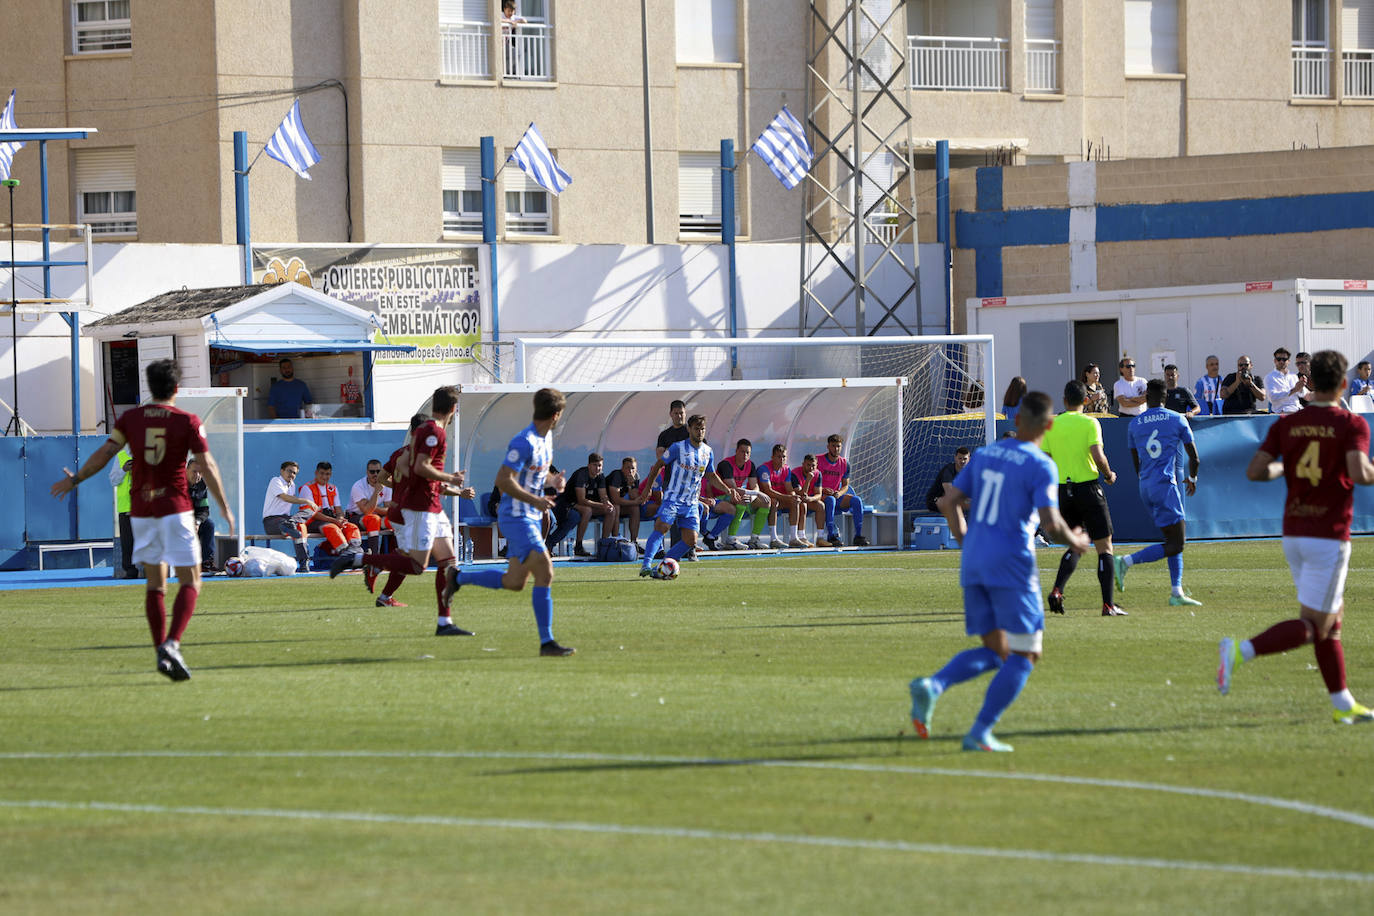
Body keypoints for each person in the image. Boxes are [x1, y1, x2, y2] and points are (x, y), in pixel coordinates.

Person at [908, 391, 1091, 753]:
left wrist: (964, 538)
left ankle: (933, 686)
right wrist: (1077, 540)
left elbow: (948, 501)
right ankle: (979, 731)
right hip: (1011, 564)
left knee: (998, 652)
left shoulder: (986, 454)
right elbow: (1052, 524)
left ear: (1017, 419)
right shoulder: (1040, 464)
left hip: (975, 557)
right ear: (1049, 425)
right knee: (1026, 653)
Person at [50, 358, 235, 682]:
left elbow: (104, 454)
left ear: (150, 388)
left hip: (142, 511)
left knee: (155, 585)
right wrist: (224, 506)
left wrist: (75, 480)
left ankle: (160, 650)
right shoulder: (187, 421)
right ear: (177, 388)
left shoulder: (130, 419)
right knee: (191, 581)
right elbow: (207, 465)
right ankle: (173, 643)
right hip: (175, 509)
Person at [1219, 350, 1374, 724]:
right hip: (1329, 534)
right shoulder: (1352, 424)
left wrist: (1286, 465)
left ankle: (1342, 704)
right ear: (1342, 384)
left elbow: (1256, 471)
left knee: (1330, 621)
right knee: (1316, 625)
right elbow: (1360, 473)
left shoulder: (1289, 424)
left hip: (1295, 533)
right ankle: (1240, 651)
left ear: (1309, 382)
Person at [444, 387, 575, 657]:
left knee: (515, 581)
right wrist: (536, 500)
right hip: (516, 516)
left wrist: (553, 482)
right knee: (546, 571)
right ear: (556, 414)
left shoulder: (546, 438)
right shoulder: (523, 441)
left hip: (528, 514)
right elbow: (503, 481)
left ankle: (458, 578)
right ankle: (547, 642)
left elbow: (538, 475)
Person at [348, 387, 475, 637]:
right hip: (417, 509)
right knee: (416, 565)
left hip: (420, 507)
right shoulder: (432, 433)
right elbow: (422, 468)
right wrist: (451, 479)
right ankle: (364, 561)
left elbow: (398, 475)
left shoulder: (404, 449)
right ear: (454, 409)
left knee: (448, 564)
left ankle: (444, 622)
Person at [1114, 379, 1203, 606]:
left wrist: (1147, 481)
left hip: (1146, 486)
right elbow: (1195, 457)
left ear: (1147, 397)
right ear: (1166, 397)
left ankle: (1176, 592)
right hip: (1166, 485)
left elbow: (1136, 464)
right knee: (1178, 543)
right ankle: (1125, 562)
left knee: (1171, 538)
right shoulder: (1177, 419)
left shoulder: (1134, 424)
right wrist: (1192, 478)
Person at [1041, 380, 1125, 616]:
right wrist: (1109, 475)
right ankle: (1108, 604)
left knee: (1077, 543)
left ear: (1064, 400)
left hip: (1063, 491)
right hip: (1087, 488)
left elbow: (1045, 460)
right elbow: (1098, 455)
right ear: (1085, 401)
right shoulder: (1090, 422)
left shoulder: (1051, 424)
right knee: (1104, 546)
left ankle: (1057, 590)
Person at [638, 414, 741, 577]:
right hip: (673, 498)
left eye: (702, 429)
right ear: (689, 429)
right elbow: (658, 466)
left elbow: (711, 475)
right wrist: (646, 490)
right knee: (662, 527)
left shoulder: (708, 452)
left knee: (691, 540)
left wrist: (729, 490)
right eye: (696, 428)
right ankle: (646, 564)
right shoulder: (677, 448)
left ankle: (662, 567)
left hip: (691, 503)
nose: (700, 432)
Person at [366, 414, 430, 606]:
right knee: (414, 560)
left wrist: (400, 486)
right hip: (409, 514)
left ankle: (385, 597)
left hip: (398, 512)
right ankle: (376, 564)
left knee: (406, 556)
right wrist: (458, 491)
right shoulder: (420, 457)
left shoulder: (398, 453)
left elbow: (383, 479)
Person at [546, 452, 619, 556]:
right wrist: (601, 505)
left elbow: (603, 496)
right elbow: (581, 500)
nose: (597, 468)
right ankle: (578, 545)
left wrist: (607, 503)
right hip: (568, 502)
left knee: (612, 510)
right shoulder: (581, 474)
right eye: (595, 465)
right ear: (589, 465)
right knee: (586, 511)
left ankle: (604, 545)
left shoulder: (600, 476)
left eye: (600, 465)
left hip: (587, 504)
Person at [655, 398, 695, 560]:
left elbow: (700, 453)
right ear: (671, 414)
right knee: (672, 515)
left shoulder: (692, 432)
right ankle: (675, 552)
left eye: (682, 413)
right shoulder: (665, 435)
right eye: (676, 413)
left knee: (690, 515)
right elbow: (660, 456)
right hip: (671, 482)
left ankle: (690, 549)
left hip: (690, 483)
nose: (679, 416)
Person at [713, 439, 771, 549]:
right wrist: (756, 493)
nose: (745, 455)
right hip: (720, 496)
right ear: (736, 451)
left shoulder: (750, 465)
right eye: (742, 451)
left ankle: (754, 539)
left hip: (737, 495)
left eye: (748, 452)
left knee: (766, 502)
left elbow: (755, 486)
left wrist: (753, 496)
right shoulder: (725, 464)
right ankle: (731, 539)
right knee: (742, 499)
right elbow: (733, 488)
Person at [816, 434, 870, 547]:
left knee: (856, 500)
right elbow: (811, 481)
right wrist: (822, 490)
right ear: (828, 447)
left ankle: (858, 536)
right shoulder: (818, 460)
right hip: (820, 495)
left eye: (838, 446)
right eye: (833, 446)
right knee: (830, 500)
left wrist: (839, 493)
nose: (836, 449)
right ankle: (832, 536)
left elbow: (845, 485)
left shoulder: (845, 463)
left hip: (836, 496)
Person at [261, 460, 315, 572]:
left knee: (307, 515)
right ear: (282, 471)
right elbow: (285, 497)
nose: (291, 475)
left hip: (286, 519)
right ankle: (288, 524)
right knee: (286, 523)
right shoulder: (276, 481)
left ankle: (303, 562)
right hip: (271, 521)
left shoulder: (292, 485)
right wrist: (306, 500)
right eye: (289, 471)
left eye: (294, 473)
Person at [755, 443, 800, 548]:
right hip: (763, 501)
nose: (781, 459)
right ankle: (773, 539)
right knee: (773, 502)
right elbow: (767, 491)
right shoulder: (764, 469)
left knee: (797, 502)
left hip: (779, 499)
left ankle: (794, 538)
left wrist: (793, 496)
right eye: (778, 457)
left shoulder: (786, 469)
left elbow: (789, 489)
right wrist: (788, 497)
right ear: (772, 457)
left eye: (784, 457)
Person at [347, 458, 392, 555]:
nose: (375, 474)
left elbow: (390, 510)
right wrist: (376, 492)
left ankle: (393, 555)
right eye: (372, 472)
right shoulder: (358, 486)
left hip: (375, 515)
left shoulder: (386, 485)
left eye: (378, 471)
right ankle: (374, 555)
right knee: (373, 519)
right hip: (355, 517)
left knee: (395, 519)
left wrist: (371, 506)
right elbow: (367, 511)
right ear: (367, 472)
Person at [606, 456, 654, 548]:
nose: (630, 471)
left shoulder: (636, 477)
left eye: (633, 468)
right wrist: (635, 502)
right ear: (622, 468)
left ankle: (634, 542)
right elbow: (615, 499)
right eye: (627, 468)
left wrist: (630, 485)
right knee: (617, 506)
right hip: (609, 505)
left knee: (635, 509)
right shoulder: (616, 475)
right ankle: (616, 540)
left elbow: (633, 495)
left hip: (622, 504)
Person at [109, 446, 139, 577]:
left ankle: (149, 569)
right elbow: (113, 480)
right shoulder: (121, 455)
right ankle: (130, 570)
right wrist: (123, 470)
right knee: (127, 543)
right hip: (126, 507)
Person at [186, 457, 217, 573]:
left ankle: (206, 563)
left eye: (200, 472)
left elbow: (204, 509)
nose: (197, 475)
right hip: (178, 522)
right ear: (186, 471)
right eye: (194, 471)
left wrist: (197, 521)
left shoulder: (202, 485)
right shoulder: (177, 484)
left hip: (194, 522)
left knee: (209, 524)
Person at [789, 454, 826, 546]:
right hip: (796, 500)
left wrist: (811, 499)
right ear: (803, 464)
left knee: (821, 505)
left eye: (813, 465)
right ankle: (801, 536)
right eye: (808, 465)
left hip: (808, 500)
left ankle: (820, 538)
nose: (811, 467)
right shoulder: (795, 473)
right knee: (803, 504)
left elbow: (819, 494)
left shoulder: (818, 473)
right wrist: (808, 480)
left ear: (816, 465)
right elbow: (800, 494)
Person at [925, 446, 971, 513]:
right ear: (955, 458)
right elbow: (949, 493)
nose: (962, 461)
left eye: (965, 458)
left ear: (969, 459)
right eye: (960, 458)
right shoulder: (948, 470)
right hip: (935, 501)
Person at [1264, 347, 1307, 415]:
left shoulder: (1293, 376)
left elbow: (1302, 394)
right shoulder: (1269, 377)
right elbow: (1272, 397)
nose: (1281, 361)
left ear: (1288, 361)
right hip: (1282, 413)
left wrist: (1301, 386)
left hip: (1298, 410)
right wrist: (1294, 390)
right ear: (1275, 361)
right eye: (1279, 359)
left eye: (1284, 359)